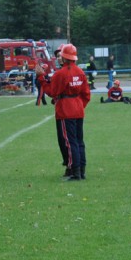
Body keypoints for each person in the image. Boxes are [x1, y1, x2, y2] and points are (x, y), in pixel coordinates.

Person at [47, 43, 90, 180]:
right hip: (78, 108)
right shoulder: (80, 72)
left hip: (66, 109)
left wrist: (42, 79)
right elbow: (86, 94)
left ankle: (75, 171)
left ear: (64, 58)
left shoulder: (60, 74)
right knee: (79, 141)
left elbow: (52, 92)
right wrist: (79, 104)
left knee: (69, 142)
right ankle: (82, 170)